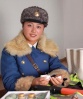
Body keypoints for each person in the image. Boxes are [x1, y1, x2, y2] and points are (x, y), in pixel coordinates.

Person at [1, 6, 70, 91]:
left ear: (43, 29)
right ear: (23, 26)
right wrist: (33, 82)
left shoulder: (49, 47)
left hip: (48, 93)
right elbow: (9, 82)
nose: (34, 31)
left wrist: (59, 77)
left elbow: (58, 67)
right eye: (29, 25)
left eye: (38, 27)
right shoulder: (10, 49)